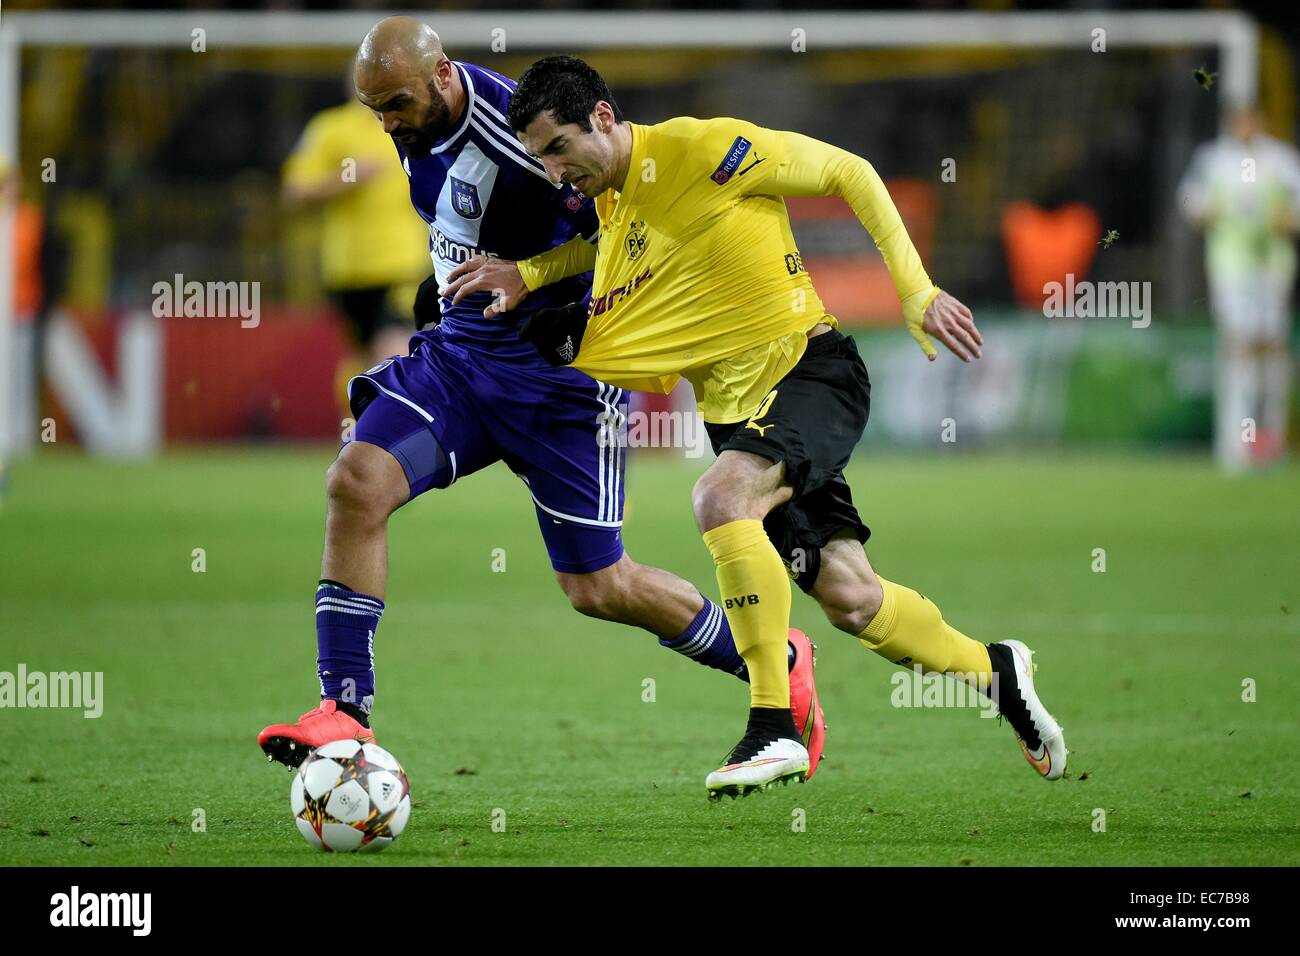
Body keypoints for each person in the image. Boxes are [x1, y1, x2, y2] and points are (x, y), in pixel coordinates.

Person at [446, 55, 1067, 798]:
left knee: (720, 499)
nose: (553, 172)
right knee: (851, 598)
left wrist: (915, 288)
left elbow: (848, 171)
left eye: (558, 149)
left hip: (809, 371)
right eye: (539, 157)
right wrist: (533, 273)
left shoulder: (704, 149)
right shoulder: (611, 198)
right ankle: (996, 672)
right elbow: (605, 250)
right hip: (738, 413)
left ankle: (773, 723)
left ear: (603, 118)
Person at [259, 21, 824, 778]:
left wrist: (539, 283)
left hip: (559, 384)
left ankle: (775, 658)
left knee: (597, 586)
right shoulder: (409, 115)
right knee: (355, 481)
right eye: (375, 109)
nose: (386, 122)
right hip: (460, 360)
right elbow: (455, 208)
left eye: (395, 103)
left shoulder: (522, 136)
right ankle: (346, 713)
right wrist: (446, 276)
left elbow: (629, 230)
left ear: (443, 75)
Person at [1179, 106, 1300, 471]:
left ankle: (1273, 438)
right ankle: (1238, 441)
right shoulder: (1213, 159)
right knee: (1239, 344)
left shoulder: (1280, 158)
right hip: (1230, 266)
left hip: (1272, 264)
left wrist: (1291, 217)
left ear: (1259, 122)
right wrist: (1203, 210)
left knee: (1273, 344)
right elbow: (1188, 200)